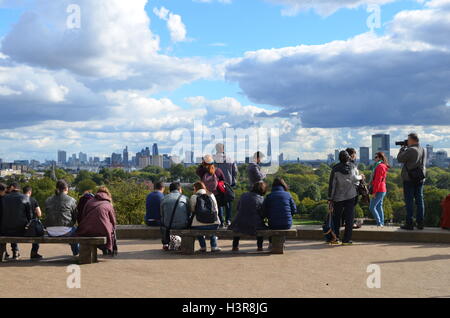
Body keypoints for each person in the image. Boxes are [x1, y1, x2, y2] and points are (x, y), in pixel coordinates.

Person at [328, 151, 363, 245]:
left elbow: (332, 185)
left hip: (338, 197)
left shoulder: (335, 169)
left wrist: (330, 198)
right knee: (349, 218)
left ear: (339, 158)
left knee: (336, 218)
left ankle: (336, 238)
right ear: (348, 158)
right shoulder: (352, 166)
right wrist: (361, 177)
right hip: (351, 195)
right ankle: (346, 240)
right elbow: (355, 179)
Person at [397, 133, 427, 230]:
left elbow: (399, 158)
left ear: (412, 140)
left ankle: (409, 223)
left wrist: (402, 148)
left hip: (409, 179)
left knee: (409, 201)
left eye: (408, 140)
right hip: (420, 178)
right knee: (419, 201)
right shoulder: (423, 149)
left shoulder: (411, 150)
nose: (407, 141)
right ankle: (420, 223)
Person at [76, 187, 117, 255]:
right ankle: (110, 249)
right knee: (111, 230)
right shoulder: (108, 204)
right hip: (103, 231)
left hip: (87, 231)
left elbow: (84, 216)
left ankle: (105, 248)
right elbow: (113, 221)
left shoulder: (89, 202)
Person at [0, 182, 36, 260]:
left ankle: (5, 253)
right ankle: (16, 252)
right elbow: (30, 217)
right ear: (19, 189)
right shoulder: (25, 198)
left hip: (4, 231)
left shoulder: (3, 198)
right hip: (21, 231)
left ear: (12, 188)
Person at [230, 181, 268, 252]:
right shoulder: (262, 199)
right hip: (254, 224)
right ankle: (260, 247)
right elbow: (263, 214)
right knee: (260, 225)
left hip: (239, 222)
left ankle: (235, 246)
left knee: (238, 223)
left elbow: (238, 208)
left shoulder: (244, 195)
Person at [45, 180, 79, 256]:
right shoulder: (71, 200)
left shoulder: (48, 200)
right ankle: (76, 253)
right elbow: (75, 217)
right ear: (66, 188)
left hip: (50, 231)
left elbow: (47, 214)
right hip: (66, 230)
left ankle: (76, 252)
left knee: (72, 231)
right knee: (76, 232)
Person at [189, 181, 221, 252]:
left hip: (198, 225)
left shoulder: (194, 197)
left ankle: (203, 246)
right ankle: (214, 246)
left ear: (195, 188)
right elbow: (216, 210)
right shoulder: (211, 195)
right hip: (214, 224)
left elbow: (192, 209)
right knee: (213, 229)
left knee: (195, 225)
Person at [196, 155, 226, 227]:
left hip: (205, 193)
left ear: (204, 162)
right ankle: (221, 222)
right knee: (218, 207)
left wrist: (202, 165)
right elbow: (223, 180)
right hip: (216, 193)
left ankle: (207, 222)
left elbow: (197, 171)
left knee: (206, 207)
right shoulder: (218, 170)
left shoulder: (202, 171)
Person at [213, 143, 238, 227]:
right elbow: (235, 171)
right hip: (228, 183)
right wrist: (233, 179)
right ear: (223, 149)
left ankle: (221, 221)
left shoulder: (213, 159)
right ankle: (228, 220)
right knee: (228, 202)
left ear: (216, 149)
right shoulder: (230, 158)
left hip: (217, 183)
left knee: (219, 202)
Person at [160, 182, 190, 251]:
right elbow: (189, 213)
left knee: (162, 223)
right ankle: (178, 243)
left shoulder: (164, 198)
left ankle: (165, 244)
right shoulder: (185, 198)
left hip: (168, 225)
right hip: (183, 224)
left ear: (170, 190)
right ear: (179, 189)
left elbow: (162, 214)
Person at [369, 152, 390, 227]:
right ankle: (382, 223)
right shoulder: (381, 166)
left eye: (376, 157)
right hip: (382, 189)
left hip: (379, 189)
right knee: (378, 206)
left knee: (371, 207)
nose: (374, 159)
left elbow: (378, 180)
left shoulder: (379, 166)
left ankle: (379, 223)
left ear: (380, 158)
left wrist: (374, 192)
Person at [23, 185, 43, 258]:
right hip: (31, 228)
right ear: (29, 192)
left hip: (20, 227)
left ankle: (15, 252)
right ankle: (34, 252)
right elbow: (39, 214)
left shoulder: (19, 200)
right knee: (37, 232)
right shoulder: (33, 200)